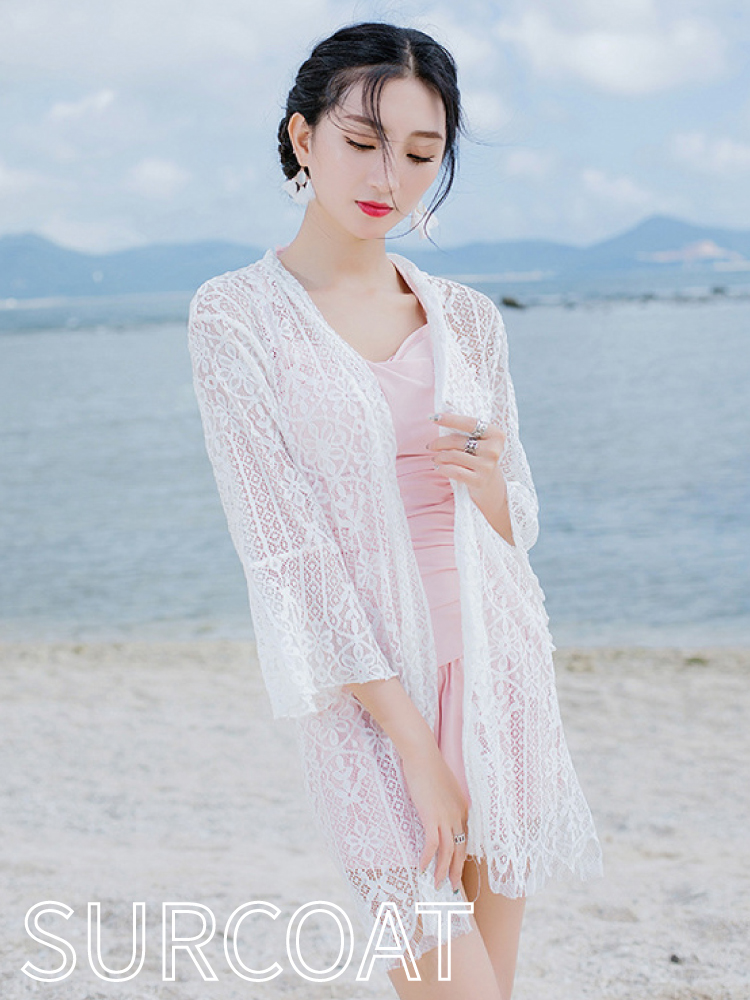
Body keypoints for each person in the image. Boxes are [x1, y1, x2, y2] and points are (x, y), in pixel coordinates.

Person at [187, 21, 603, 999]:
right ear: (303, 137)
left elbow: (516, 523)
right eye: (363, 141)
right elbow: (286, 553)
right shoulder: (235, 315)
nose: (390, 176)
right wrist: (414, 744)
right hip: (377, 702)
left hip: (500, 674)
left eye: (421, 154)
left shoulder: (468, 319)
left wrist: (489, 482)